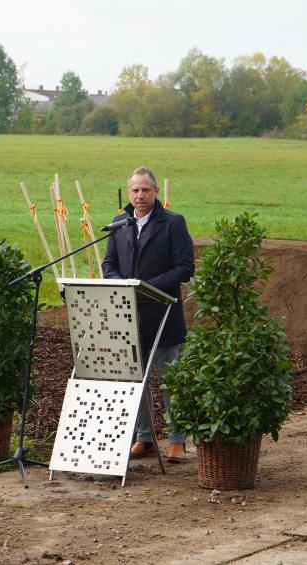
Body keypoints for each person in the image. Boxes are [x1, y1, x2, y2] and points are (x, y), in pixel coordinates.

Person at [101, 166, 195, 463]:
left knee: (170, 380)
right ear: (129, 193)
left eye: (145, 190)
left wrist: (147, 287)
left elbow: (185, 267)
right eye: (135, 190)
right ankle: (145, 438)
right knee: (135, 380)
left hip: (163, 313)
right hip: (128, 316)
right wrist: (120, 285)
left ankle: (177, 440)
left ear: (156, 192)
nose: (139, 195)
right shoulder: (119, 223)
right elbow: (109, 264)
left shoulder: (173, 223)